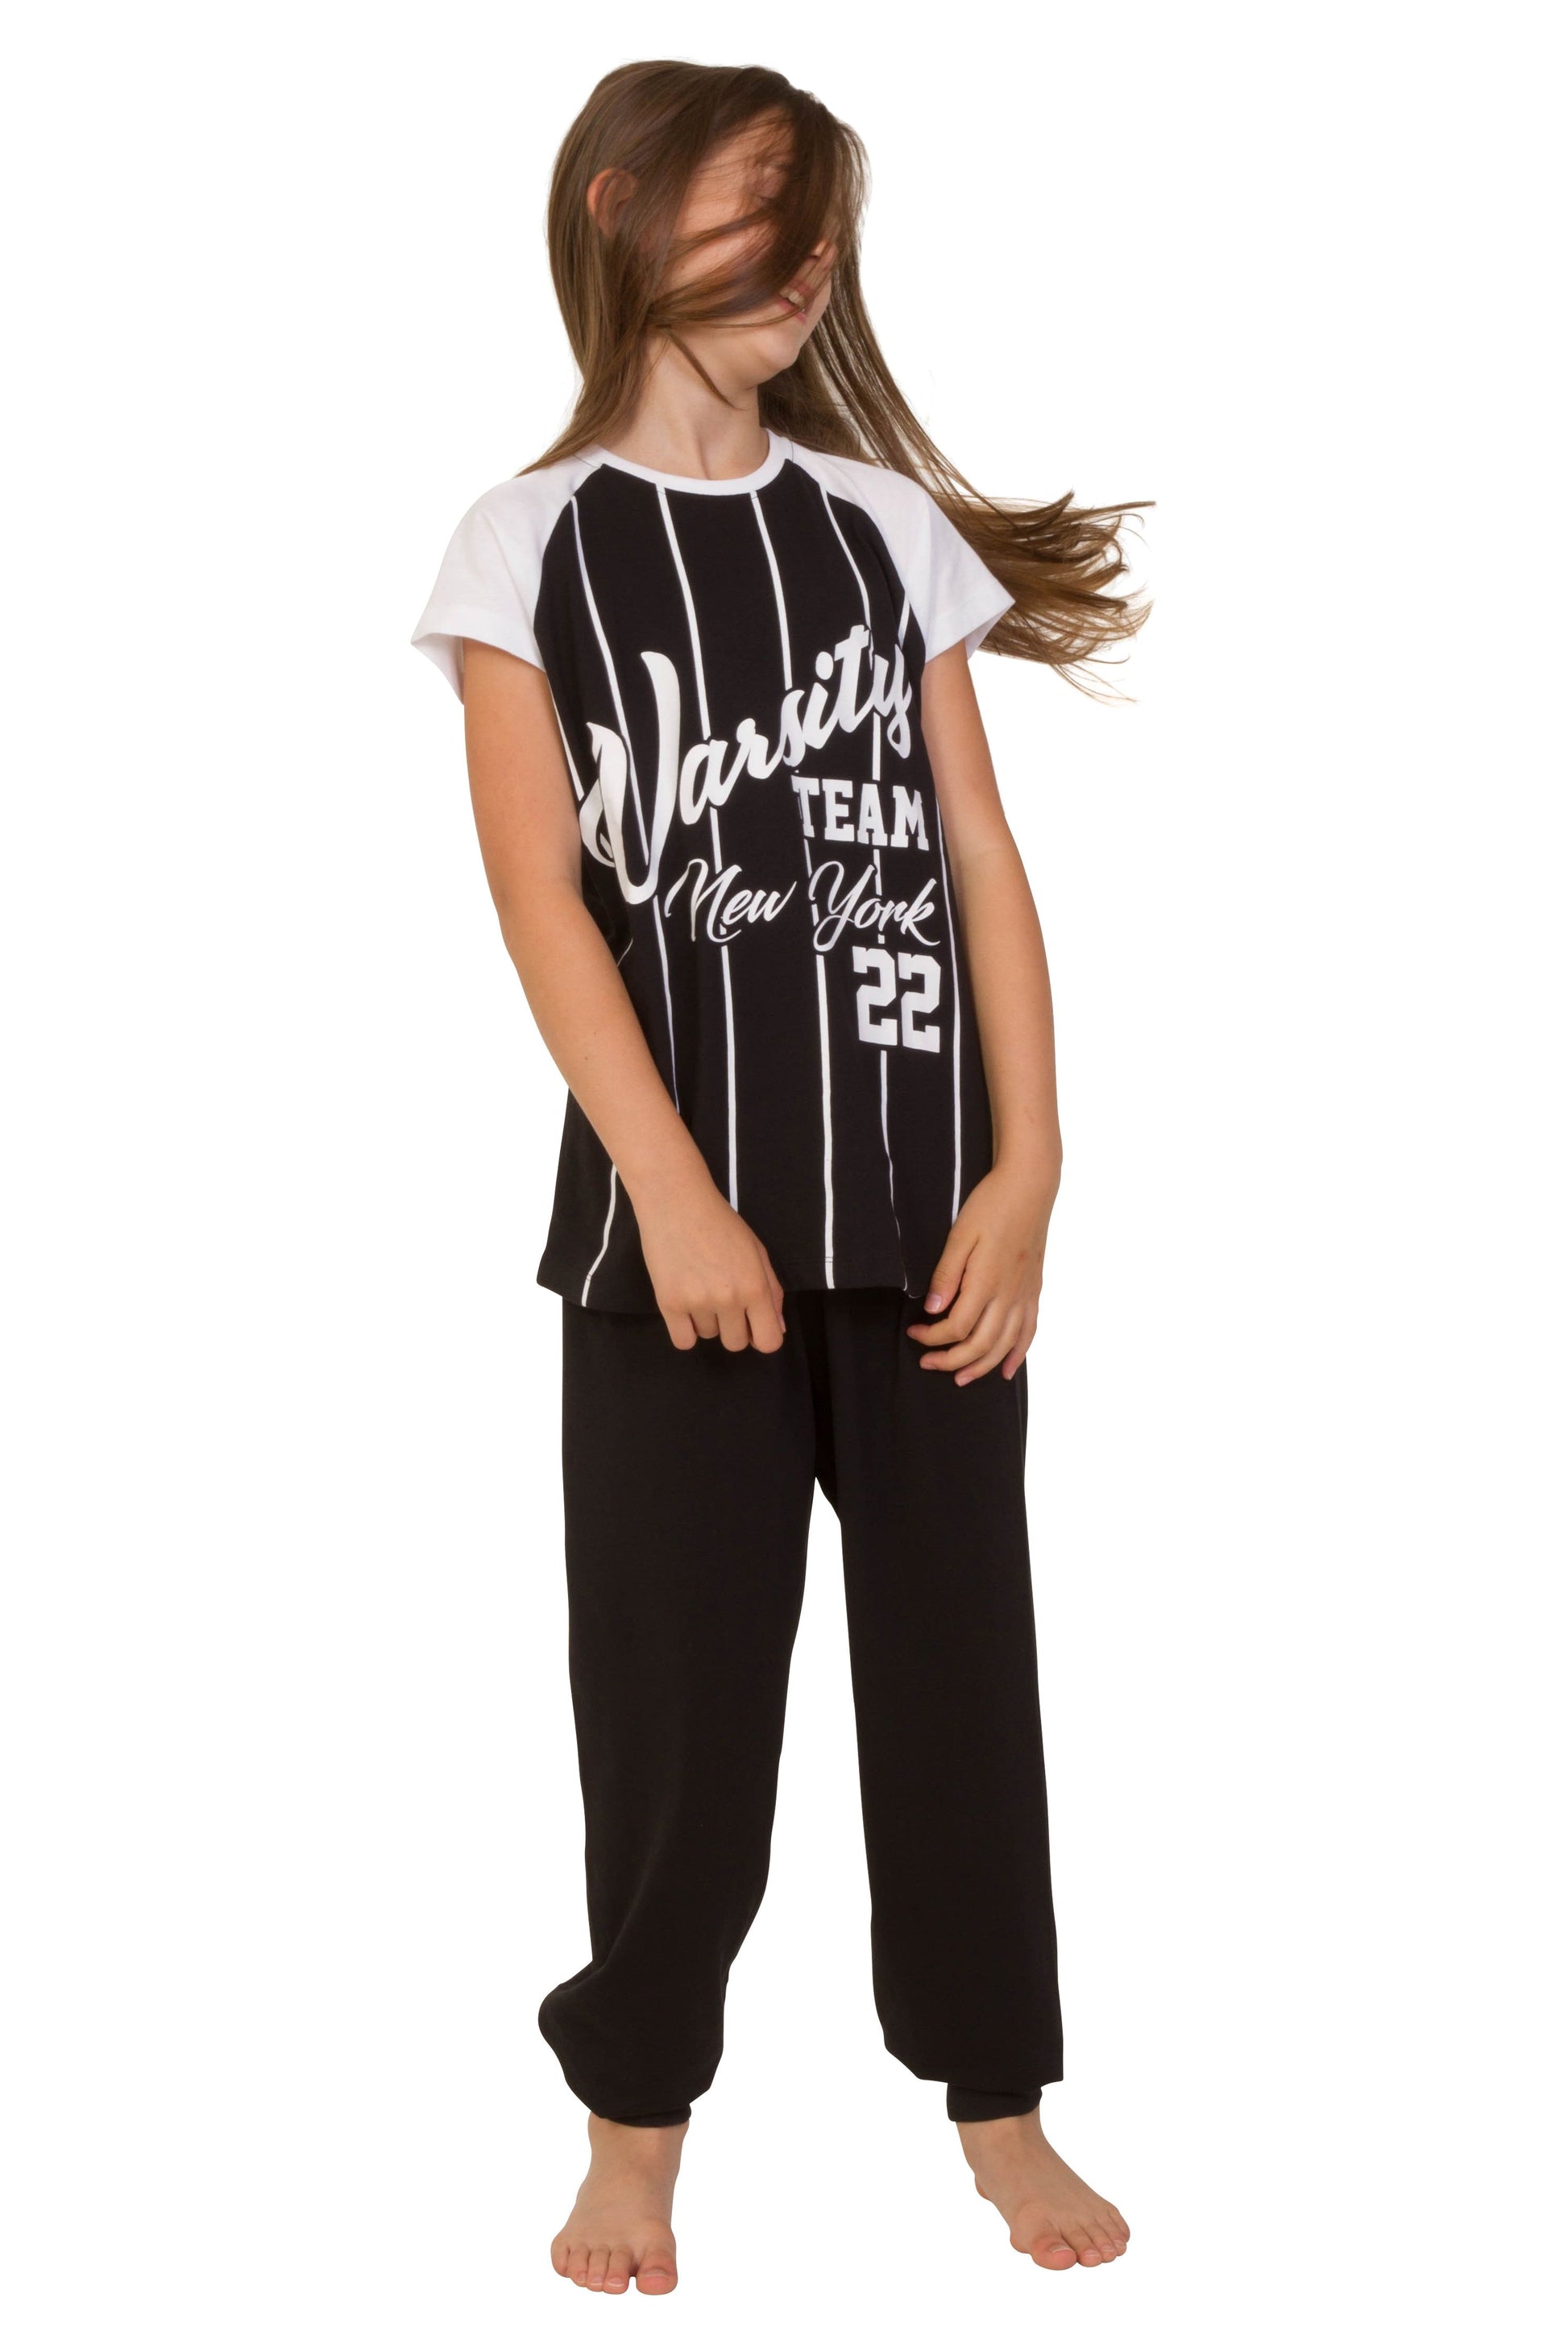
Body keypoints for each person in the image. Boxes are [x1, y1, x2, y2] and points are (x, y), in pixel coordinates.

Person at [413, 59, 1144, 2296]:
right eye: (760, 212)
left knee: (960, 1685)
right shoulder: (525, 544)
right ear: (620, 208)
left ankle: (999, 2103)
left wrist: (1029, 1170)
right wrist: (675, 1190)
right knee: (676, 1716)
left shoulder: (878, 531)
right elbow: (542, 902)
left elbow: (981, 857)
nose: (804, 263)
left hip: (927, 1232)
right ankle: (633, 2131)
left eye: (822, 229)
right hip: (672, 1254)